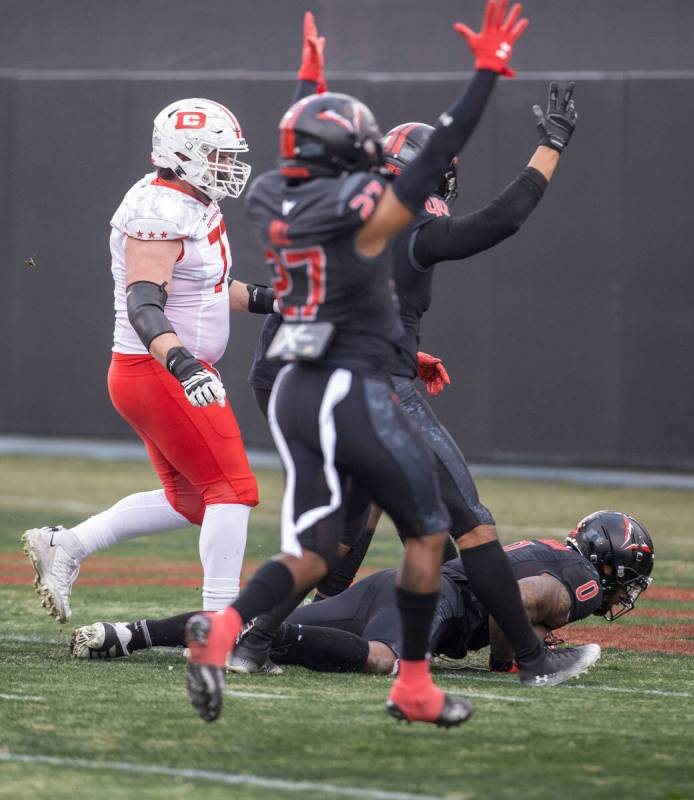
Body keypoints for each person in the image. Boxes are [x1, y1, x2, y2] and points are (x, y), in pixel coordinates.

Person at [181, 0, 601, 729]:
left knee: (328, 550)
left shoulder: (278, 199)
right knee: (458, 527)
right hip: (366, 385)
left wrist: (309, 82)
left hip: (296, 383)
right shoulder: (392, 217)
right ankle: (526, 660)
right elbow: (491, 212)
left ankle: (240, 636)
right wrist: (521, 115)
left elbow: (303, 163)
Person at [22, 98, 276, 623]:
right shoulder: (157, 211)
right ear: (182, 153)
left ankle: (66, 544)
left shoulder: (190, 198)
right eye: (216, 154)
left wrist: (272, 300)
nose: (227, 166)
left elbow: (210, 286)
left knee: (191, 501)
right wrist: (183, 365)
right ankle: (219, 624)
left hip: (158, 371)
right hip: (157, 370)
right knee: (232, 490)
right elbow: (145, 304)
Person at [70, 511, 655, 676]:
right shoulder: (581, 581)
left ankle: (130, 634)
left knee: (240, 621)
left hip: (395, 584)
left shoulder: (551, 546)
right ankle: (276, 638)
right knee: (384, 661)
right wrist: (510, 655)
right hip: (433, 603)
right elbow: (523, 598)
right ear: (612, 567)